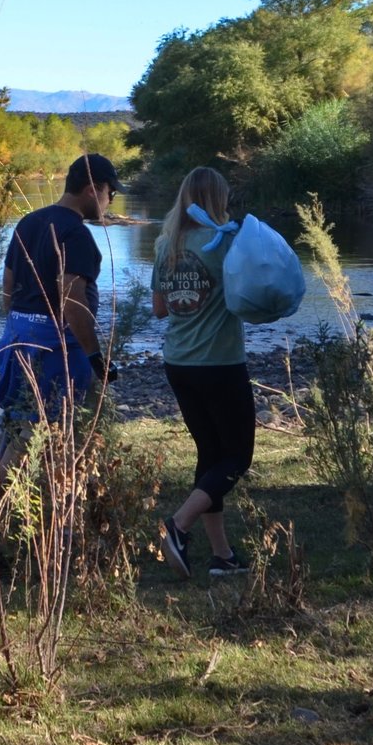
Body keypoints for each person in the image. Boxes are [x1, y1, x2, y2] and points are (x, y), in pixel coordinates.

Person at [0, 153, 121, 542]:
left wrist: (22, 325)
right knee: (46, 431)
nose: (111, 201)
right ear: (91, 189)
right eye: (110, 192)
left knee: (17, 421)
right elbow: (72, 298)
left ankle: (45, 519)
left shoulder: (29, 222)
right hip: (56, 345)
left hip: (16, 336)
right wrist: (95, 355)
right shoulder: (77, 234)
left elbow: (8, 285)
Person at [151, 167, 254, 577]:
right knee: (237, 457)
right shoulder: (226, 242)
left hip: (178, 364)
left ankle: (223, 557)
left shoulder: (165, 245)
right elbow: (248, 297)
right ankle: (178, 525)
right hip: (220, 363)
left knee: (211, 455)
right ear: (217, 199)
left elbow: (160, 309)